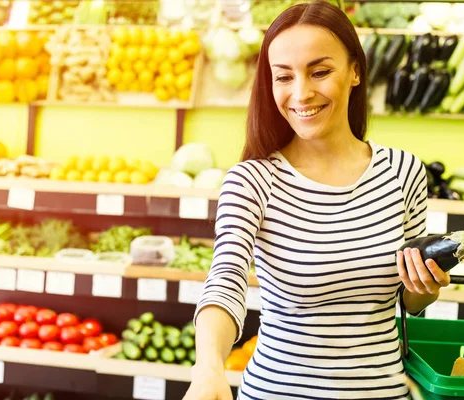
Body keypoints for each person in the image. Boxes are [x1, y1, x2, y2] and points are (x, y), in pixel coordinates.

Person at [183, 1, 450, 399]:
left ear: (355, 70)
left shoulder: (404, 172)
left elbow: (411, 301)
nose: (301, 93)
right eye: (283, 77)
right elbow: (226, 280)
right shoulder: (253, 180)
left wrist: (427, 285)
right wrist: (208, 369)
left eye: (320, 72)